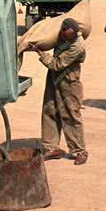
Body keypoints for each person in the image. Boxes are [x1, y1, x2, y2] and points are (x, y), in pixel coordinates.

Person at [28, 18, 88, 165]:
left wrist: (39, 52)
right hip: (54, 79)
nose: (65, 37)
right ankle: (51, 147)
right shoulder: (61, 35)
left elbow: (55, 64)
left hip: (69, 82)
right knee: (50, 110)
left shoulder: (77, 46)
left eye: (68, 35)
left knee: (71, 115)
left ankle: (79, 151)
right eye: (64, 34)